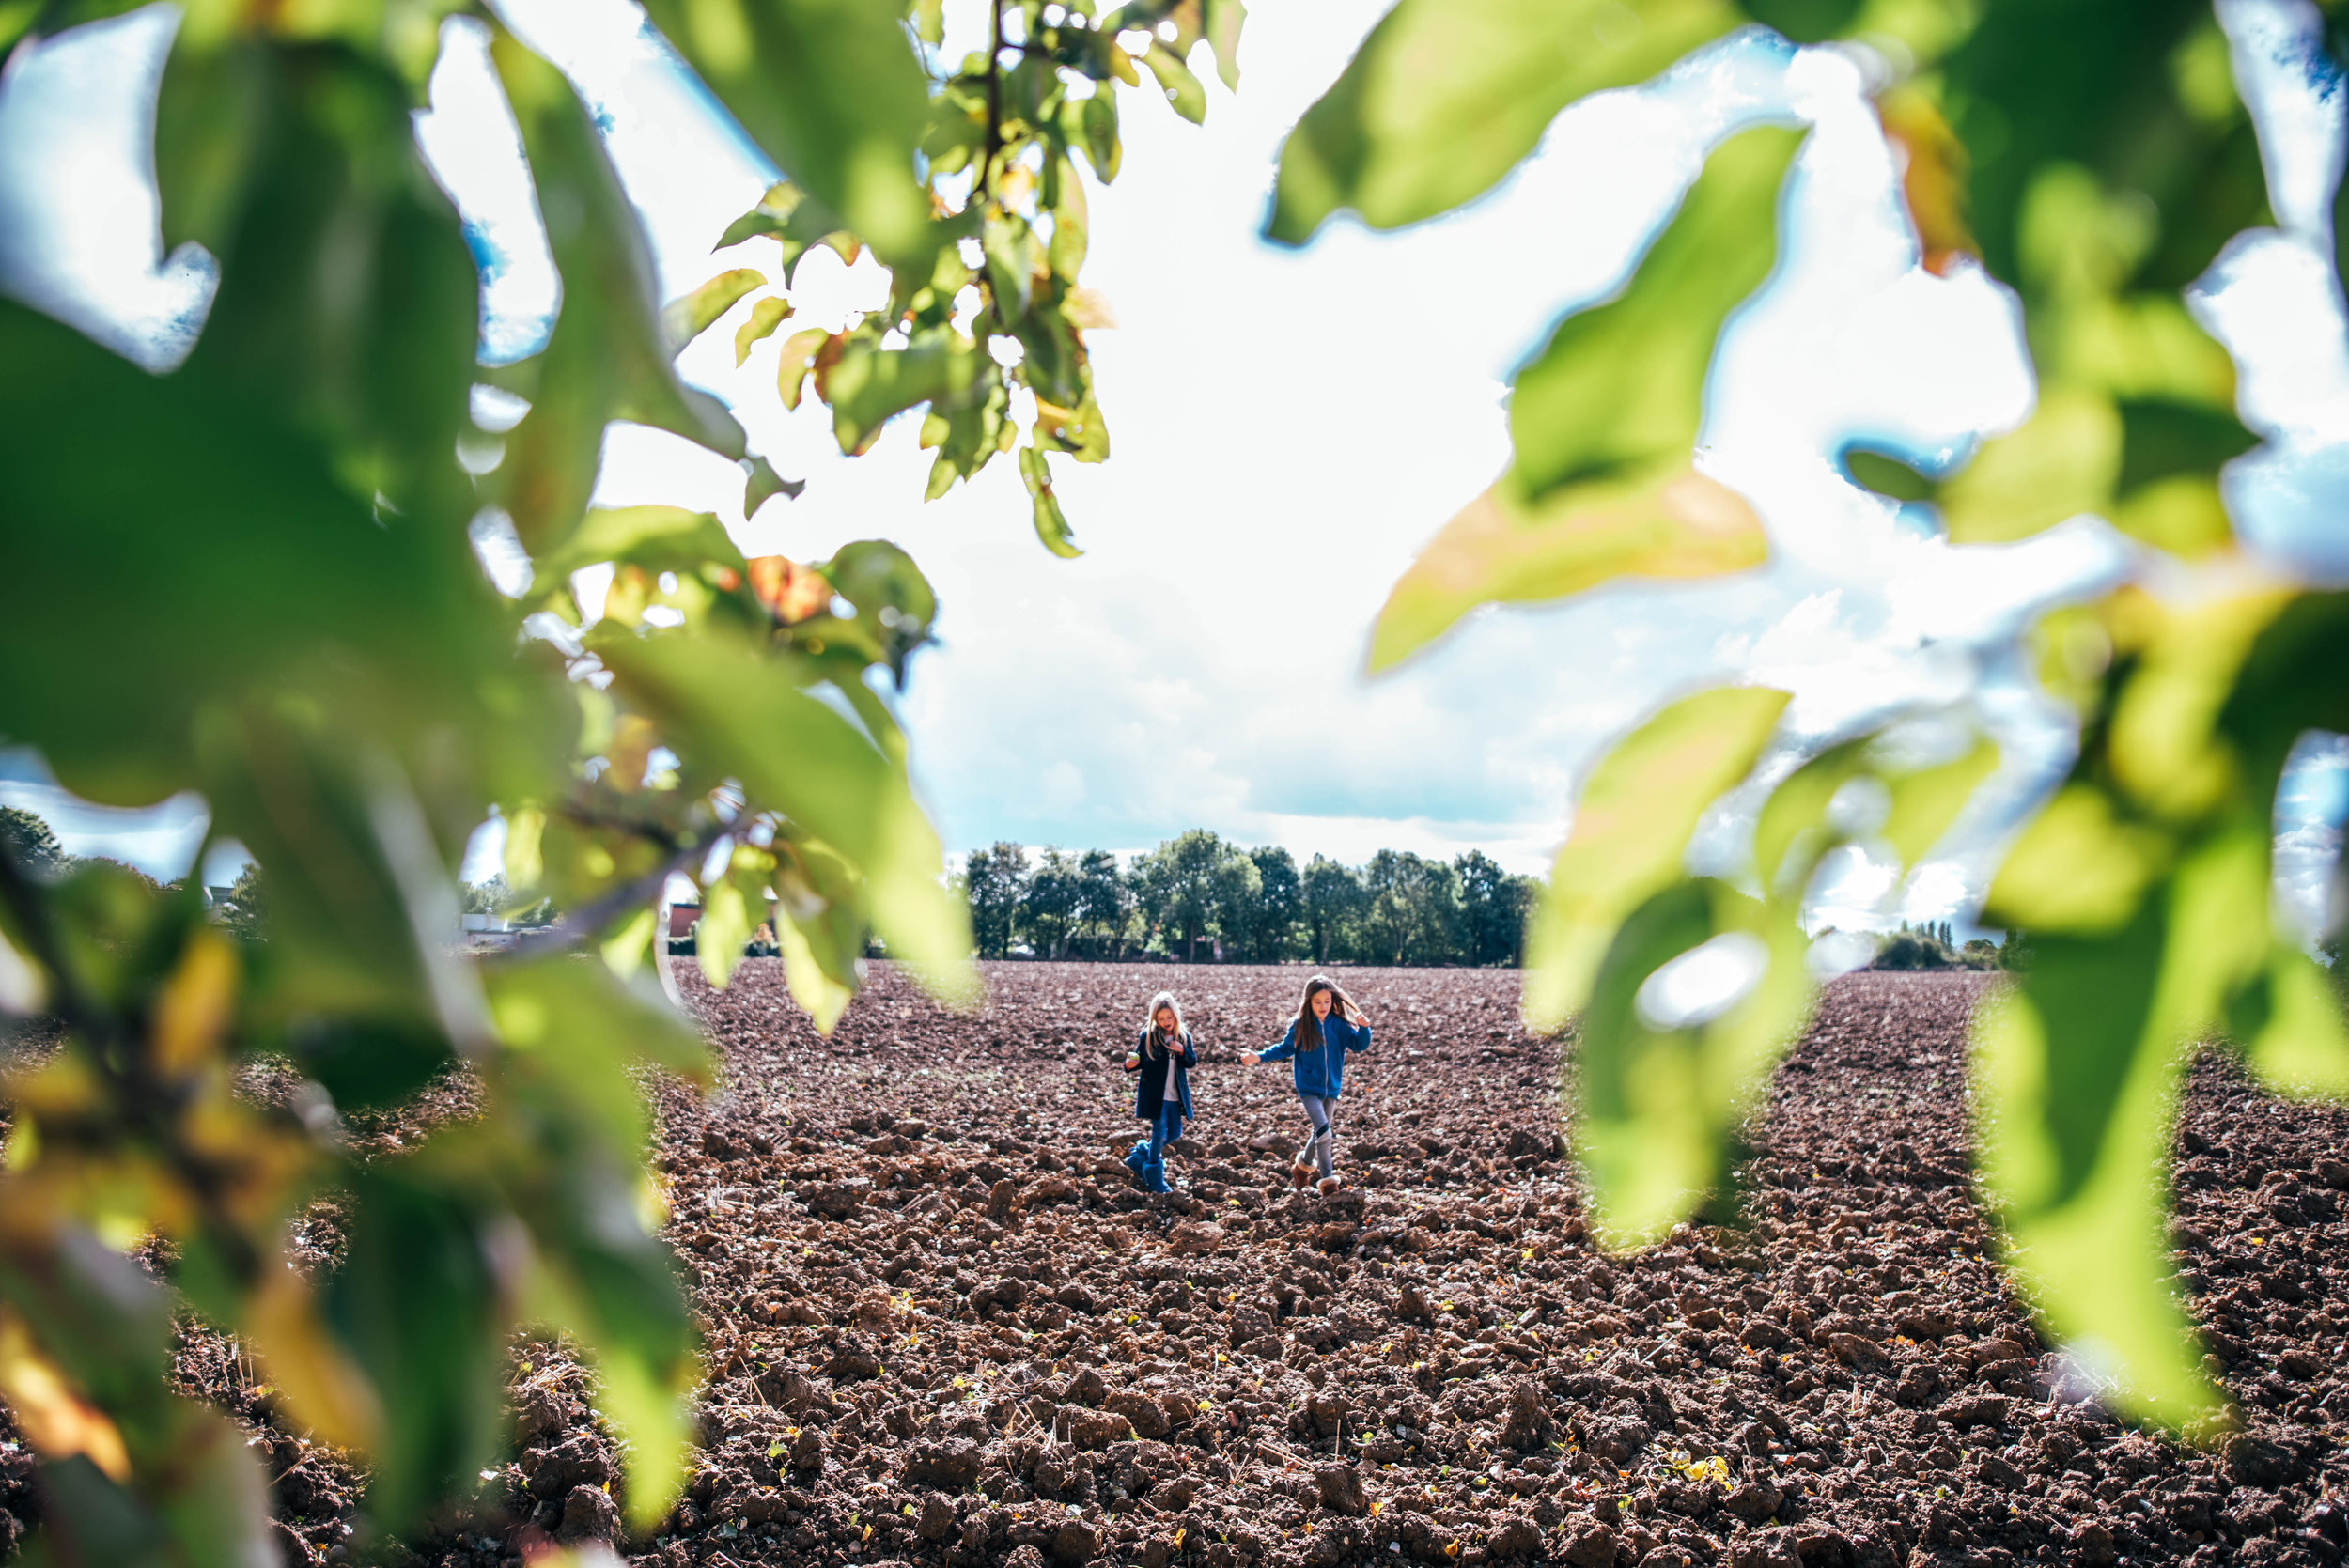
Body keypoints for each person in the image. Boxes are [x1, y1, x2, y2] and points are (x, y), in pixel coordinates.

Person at [1242, 974, 1372, 1193]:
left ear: (1333, 1001)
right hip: (1309, 1089)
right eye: (1317, 1002)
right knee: (1325, 1133)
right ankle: (1329, 1184)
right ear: (1309, 1001)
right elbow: (1284, 1048)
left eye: (1327, 1001)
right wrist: (1259, 1057)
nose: (1323, 1006)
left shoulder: (1339, 1025)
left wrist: (1364, 1028)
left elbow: (1359, 1045)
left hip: (1332, 1089)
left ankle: (1301, 1169)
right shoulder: (1301, 1025)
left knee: (1320, 1134)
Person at [1121, 990, 1196, 1195]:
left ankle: (1141, 1156)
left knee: (1175, 1133)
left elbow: (1191, 1062)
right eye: (1161, 1018)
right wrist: (1129, 1064)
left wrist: (1181, 1050)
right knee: (1159, 1132)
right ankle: (1155, 1180)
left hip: (1174, 1096)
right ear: (1155, 1018)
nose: (1166, 1021)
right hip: (1155, 1097)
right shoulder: (1149, 1038)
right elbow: (1138, 1061)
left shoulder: (1183, 1037)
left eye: (1169, 1017)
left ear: (1175, 1016)